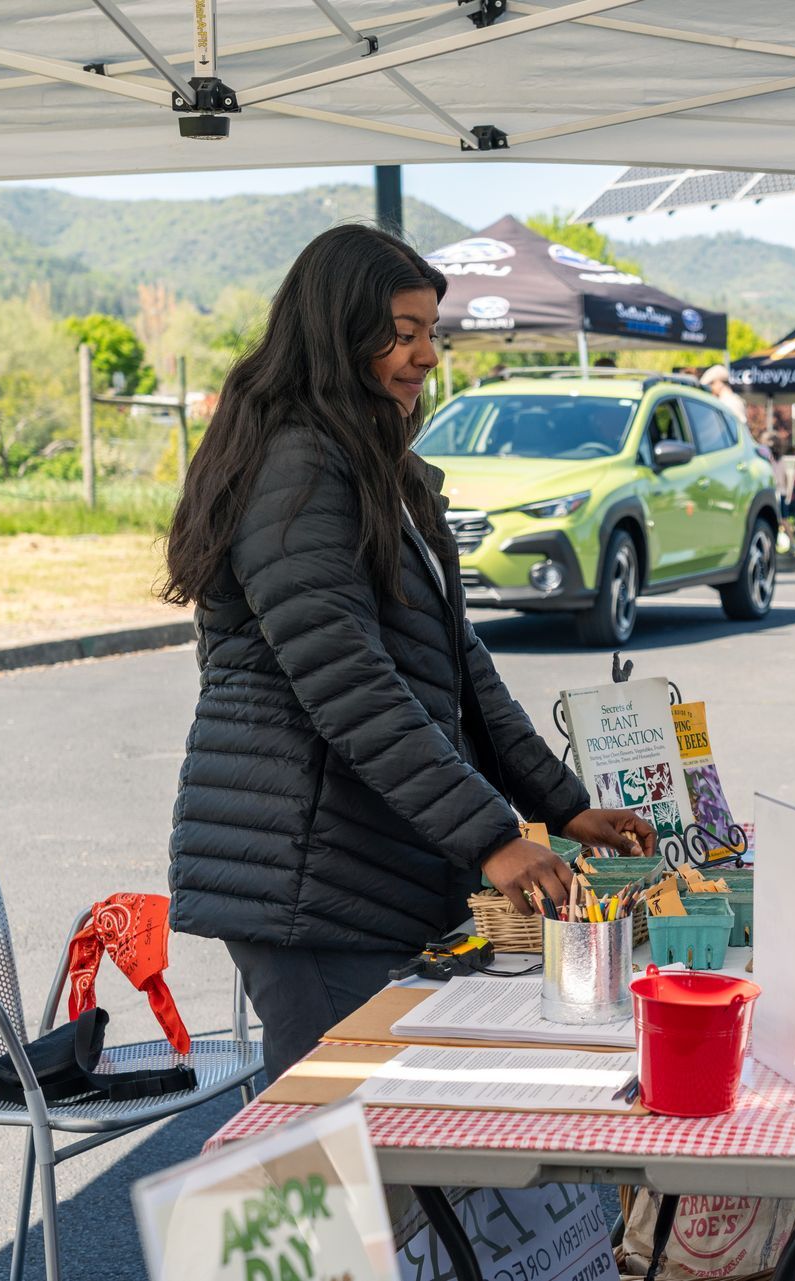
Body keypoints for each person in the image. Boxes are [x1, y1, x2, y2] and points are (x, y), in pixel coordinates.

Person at [158, 225, 654, 1081]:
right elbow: (350, 684)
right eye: (403, 330)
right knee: (330, 1148)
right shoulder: (300, 467)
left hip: (361, 862)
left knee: (379, 1135)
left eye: (431, 331)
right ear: (336, 329)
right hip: (304, 873)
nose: (426, 353)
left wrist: (563, 806)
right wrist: (494, 837)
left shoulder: (378, 464)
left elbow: (459, 669)